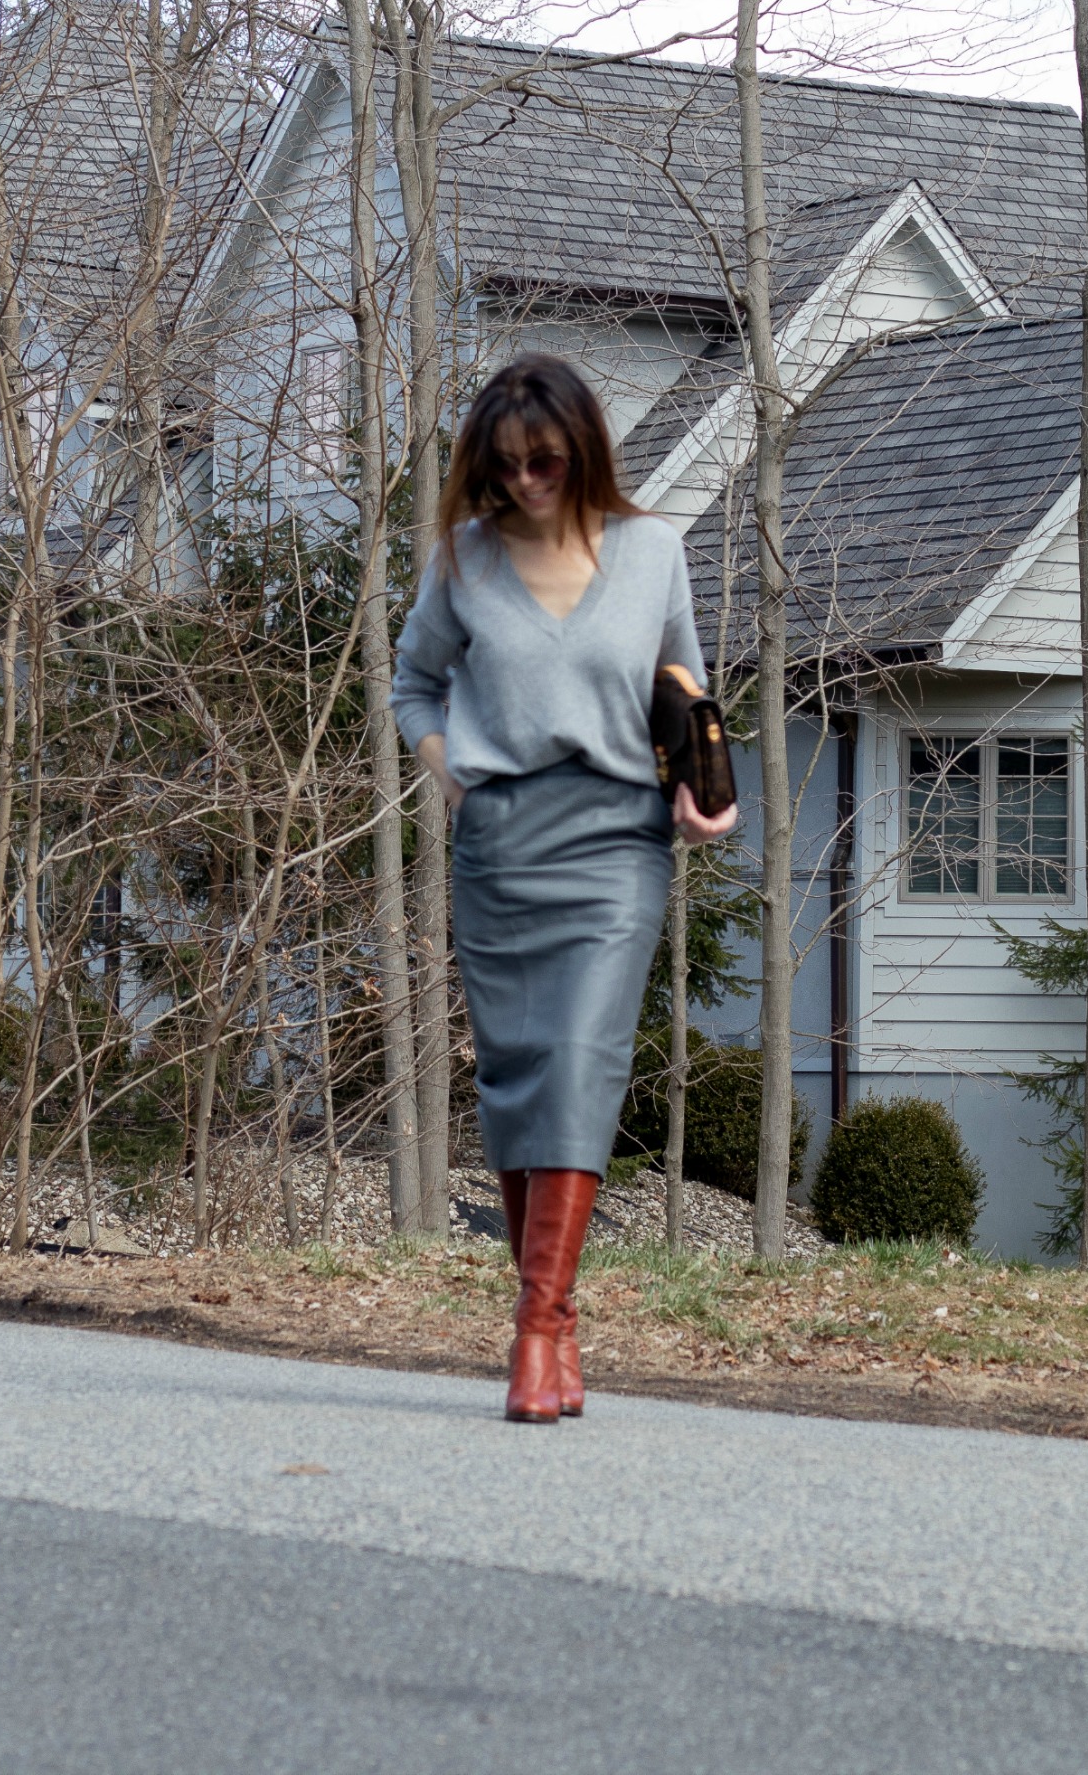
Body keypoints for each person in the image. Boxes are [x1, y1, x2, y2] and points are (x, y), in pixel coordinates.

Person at [392, 353, 739, 1424]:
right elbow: (412, 678)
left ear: (581, 447)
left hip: (615, 841)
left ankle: (537, 1330)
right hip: (501, 843)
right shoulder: (464, 560)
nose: (528, 483)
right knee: (516, 1077)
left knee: (583, 1059)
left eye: (544, 460)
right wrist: (448, 769)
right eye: (505, 468)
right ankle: (554, 1314)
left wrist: (704, 792)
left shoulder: (652, 551)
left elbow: (682, 686)